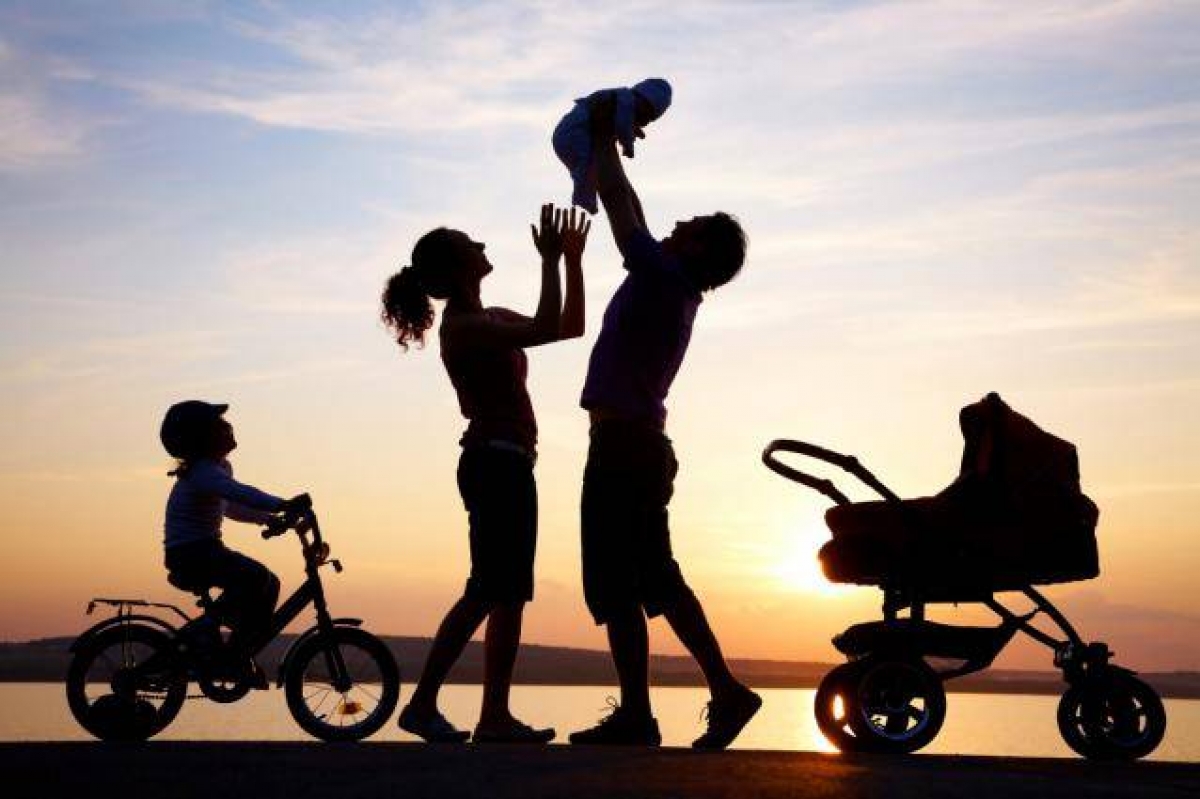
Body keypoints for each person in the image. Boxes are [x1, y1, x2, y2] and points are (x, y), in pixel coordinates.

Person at [567, 130, 760, 749]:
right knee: (636, 582)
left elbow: (622, 210)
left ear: (699, 247)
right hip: (634, 445)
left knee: (638, 581)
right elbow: (631, 205)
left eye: (692, 224)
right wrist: (605, 143)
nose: (678, 223)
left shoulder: (662, 277)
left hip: (626, 448)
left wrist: (602, 135)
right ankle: (650, 711)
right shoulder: (670, 280)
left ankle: (714, 694)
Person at [381, 204, 590, 743]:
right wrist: (550, 261)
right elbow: (546, 325)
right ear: (456, 268)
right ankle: (425, 705)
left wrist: (571, 261)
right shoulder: (467, 326)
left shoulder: (489, 316)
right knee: (486, 590)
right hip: (494, 462)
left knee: (507, 593)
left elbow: (568, 327)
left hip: (509, 462)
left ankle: (493, 715)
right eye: (468, 242)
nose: (481, 244)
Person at [160, 401, 302, 677]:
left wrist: (268, 519)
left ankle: (235, 652)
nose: (228, 427)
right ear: (204, 436)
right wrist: (282, 504)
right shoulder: (203, 471)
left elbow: (231, 506)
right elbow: (238, 492)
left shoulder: (219, 468)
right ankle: (222, 646)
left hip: (203, 550)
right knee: (257, 579)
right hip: (192, 554)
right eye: (220, 425)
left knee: (269, 583)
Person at [552, 78, 672, 214]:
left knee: (588, 168)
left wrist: (631, 131)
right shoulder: (624, 101)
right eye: (646, 116)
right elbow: (623, 125)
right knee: (587, 166)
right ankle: (585, 199)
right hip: (573, 132)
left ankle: (587, 197)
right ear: (642, 101)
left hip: (571, 133)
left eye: (650, 120)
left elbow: (622, 122)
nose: (645, 122)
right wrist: (628, 146)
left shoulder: (622, 101)